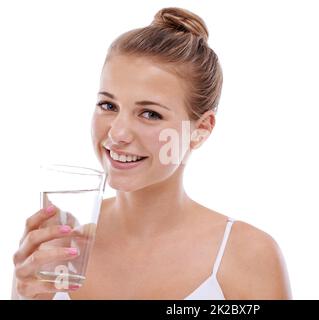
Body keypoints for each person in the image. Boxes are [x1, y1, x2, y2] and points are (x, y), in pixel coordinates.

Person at [11, 7, 292, 300]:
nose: (118, 133)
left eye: (149, 113)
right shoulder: (60, 244)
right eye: (108, 105)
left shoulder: (245, 256)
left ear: (202, 129)